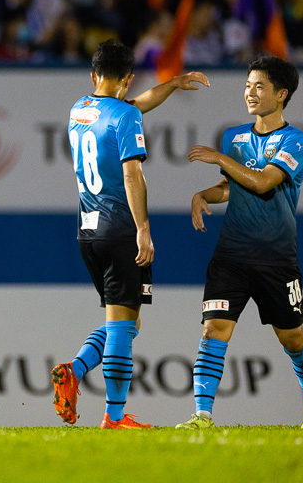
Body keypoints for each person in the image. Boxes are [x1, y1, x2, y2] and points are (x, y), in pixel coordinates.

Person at [51, 39, 209, 429]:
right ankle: (114, 416)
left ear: (94, 75)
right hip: (120, 229)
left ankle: (75, 371)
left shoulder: (79, 109)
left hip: (88, 231)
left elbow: (132, 105)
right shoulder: (125, 116)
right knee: (123, 325)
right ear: (128, 78)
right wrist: (143, 230)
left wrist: (171, 85)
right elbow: (132, 174)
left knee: (126, 320)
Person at [176, 56, 303, 429]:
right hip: (231, 255)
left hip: (276, 258)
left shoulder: (296, 141)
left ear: (282, 93)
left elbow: (262, 182)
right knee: (213, 329)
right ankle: (202, 416)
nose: (250, 93)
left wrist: (219, 157)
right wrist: (203, 195)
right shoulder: (234, 136)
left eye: (259, 86)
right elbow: (232, 185)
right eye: (247, 85)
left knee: (293, 339)